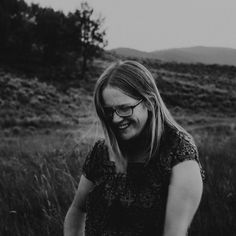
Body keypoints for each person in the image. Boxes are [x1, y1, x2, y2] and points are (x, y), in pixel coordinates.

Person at [64, 60, 204, 236]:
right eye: (108, 111)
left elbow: (174, 233)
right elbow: (77, 209)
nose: (115, 119)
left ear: (149, 102)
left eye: (124, 108)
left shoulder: (179, 156)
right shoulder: (102, 151)